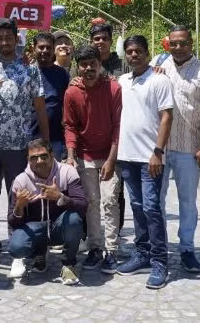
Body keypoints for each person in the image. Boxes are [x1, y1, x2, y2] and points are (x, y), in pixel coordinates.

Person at [0, 17, 49, 269]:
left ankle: (19, 248)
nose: (4, 42)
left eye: (8, 37)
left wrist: (44, 145)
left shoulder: (30, 68)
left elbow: (39, 107)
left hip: (19, 146)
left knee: (20, 197)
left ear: (16, 39)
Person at [115, 36, 175, 289]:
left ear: (148, 53)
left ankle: (160, 261)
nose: (134, 55)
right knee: (137, 207)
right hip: (127, 157)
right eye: (130, 51)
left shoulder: (160, 80)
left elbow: (166, 117)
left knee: (151, 208)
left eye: (139, 51)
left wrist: (157, 152)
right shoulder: (122, 81)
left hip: (150, 158)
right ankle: (142, 253)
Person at [157, 26, 200, 273]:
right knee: (155, 201)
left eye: (183, 43)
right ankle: (158, 247)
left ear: (191, 43)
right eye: (174, 43)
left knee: (187, 202)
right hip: (159, 149)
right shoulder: (159, 67)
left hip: (188, 147)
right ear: (168, 44)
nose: (178, 47)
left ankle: (187, 249)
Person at [62, 45, 122, 274]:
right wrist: (70, 156)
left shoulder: (114, 89)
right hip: (84, 156)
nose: (88, 68)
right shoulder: (72, 92)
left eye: (93, 64)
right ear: (78, 67)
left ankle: (112, 250)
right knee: (92, 203)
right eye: (84, 64)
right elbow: (70, 126)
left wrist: (111, 159)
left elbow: (118, 126)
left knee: (109, 200)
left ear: (100, 64)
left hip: (110, 155)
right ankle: (95, 248)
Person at [7, 139, 87, 284]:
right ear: (28, 160)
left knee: (74, 219)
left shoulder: (67, 172)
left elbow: (83, 206)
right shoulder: (21, 181)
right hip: (37, 229)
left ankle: (68, 264)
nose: (39, 161)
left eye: (43, 156)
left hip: (60, 227)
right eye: (34, 158)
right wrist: (19, 206)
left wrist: (61, 197)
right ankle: (39, 252)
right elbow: (13, 222)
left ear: (52, 155)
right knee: (15, 247)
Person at [33, 32, 70, 160]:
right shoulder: (27, 73)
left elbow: (67, 104)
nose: (45, 50)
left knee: (52, 177)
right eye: (41, 47)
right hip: (30, 136)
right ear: (34, 49)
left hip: (55, 138)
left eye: (49, 47)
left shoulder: (62, 74)